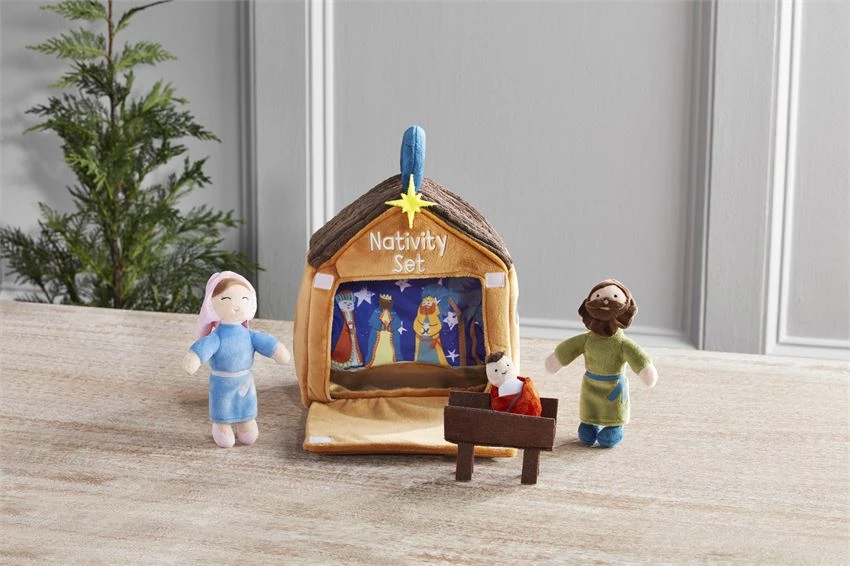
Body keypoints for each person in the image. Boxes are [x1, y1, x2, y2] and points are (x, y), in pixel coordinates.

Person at [545, 279, 658, 448]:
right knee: (589, 417)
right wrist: (557, 359)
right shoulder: (587, 339)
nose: (605, 301)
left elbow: (637, 356)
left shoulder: (622, 344)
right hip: (591, 385)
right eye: (598, 297)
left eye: (614, 297)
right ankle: (589, 424)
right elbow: (569, 348)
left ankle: (614, 427)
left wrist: (646, 370)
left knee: (613, 417)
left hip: (614, 387)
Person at [183, 271, 290, 448]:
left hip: (244, 381)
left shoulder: (249, 335)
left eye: (244, 299)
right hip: (222, 382)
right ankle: (221, 427)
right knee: (222, 407)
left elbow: (267, 343)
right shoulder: (217, 337)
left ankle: (246, 424)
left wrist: (277, 350)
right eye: (226, 299)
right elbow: (203, 347)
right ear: (212, 304)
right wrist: (194, 357)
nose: (237, 305)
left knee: (246, 407)